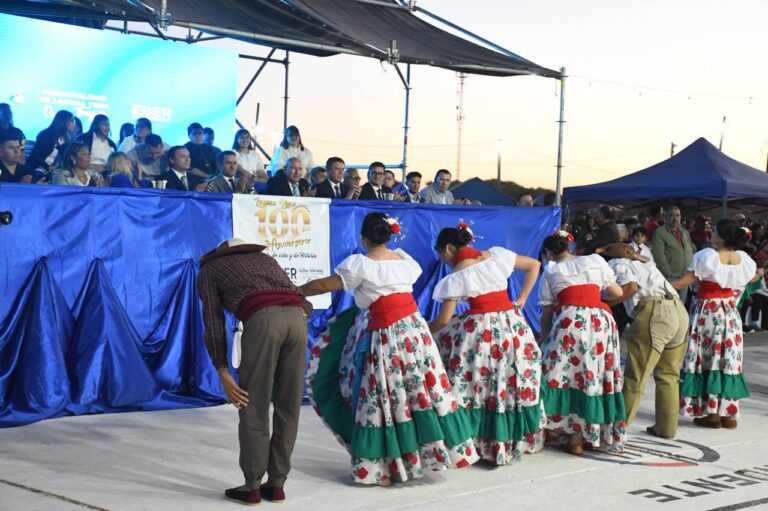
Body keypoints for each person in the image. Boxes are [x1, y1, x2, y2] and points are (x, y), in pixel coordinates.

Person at [302, 213, 478, 485]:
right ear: (390, 234)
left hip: (387, 335)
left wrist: (297, 290)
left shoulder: (360, 264)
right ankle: (418, 457)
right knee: (419, 390)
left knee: (385, 395)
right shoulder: (404, 260)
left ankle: (388, 465)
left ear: (363, 238)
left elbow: (326, 284)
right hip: (414, 331)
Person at [197, 238, 311, 505]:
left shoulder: (210, 270)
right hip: (297, 321)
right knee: (288, 406)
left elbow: (212, 320)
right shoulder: (267, 260)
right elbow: (303, 302)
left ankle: (252, 487)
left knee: (254, 405)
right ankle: (277, 484)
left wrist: (222, 369)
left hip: (263, 322)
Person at [429, 224, 544, 465]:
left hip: (481, 332)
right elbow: (535, 265)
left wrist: (422, 330)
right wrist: (521, 298)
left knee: (477, 385)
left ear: (449, 249)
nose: (444, 260)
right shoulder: (497, 255)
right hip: (512, 327)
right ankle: (507, 442)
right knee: (508, 382)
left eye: (442, 255)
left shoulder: (458, 274)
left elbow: (443, 320)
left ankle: (480, 443)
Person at [538, 231, 626, 455]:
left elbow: (547, 312)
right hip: (600, 321)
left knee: (562, 375)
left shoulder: (551, 270)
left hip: (569, 322)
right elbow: (617, 292)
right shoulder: (595, 261)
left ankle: (566, 431)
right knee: (594, 375)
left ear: (548, 253)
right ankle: (586, 434)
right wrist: (594, 300)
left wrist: (545, 339)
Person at [671, 219, 760, 429]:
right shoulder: (743, 259)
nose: (710, 233)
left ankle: (711, 413)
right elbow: (748, 279)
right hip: (730, 312)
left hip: (709, 311)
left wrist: (662, 285)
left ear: (721, 236)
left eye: (714, 231)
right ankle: (729, 414)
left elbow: (686, 281)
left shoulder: (707, 257)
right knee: (728, 359)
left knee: (708, 358)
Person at [599, 243, 688, 439]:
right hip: (679, 311)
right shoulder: (646, 264)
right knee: (669, 375)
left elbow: (630, 288)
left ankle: (614, 432)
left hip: (654, 311)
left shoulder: (616, 263)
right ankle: (666, 428)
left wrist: (602, 304)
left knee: (636, 376)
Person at [652, 206, 695, 302]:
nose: (675, 218)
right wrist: (668, 274)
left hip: (685, 276)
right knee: (670, 307)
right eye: (671, 215)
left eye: (677, 215)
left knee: (681, 306)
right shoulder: (659, 233)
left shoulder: (684, 232)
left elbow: (690, 250)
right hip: (671, 277)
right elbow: (658, 256)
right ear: (665, 217)